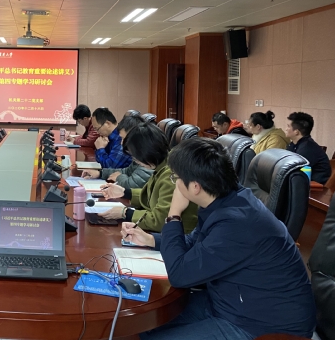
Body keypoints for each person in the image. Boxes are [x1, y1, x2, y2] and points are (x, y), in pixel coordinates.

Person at [123, 138, 316, 340]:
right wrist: (151, 240)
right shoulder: (226, 200)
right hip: (228, 302)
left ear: (195, 186)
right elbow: (194, 244)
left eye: (176, 178)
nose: (176, 184)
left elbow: (179, 274)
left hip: (263, 324)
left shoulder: (236, 222)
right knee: (143, 325)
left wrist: (174, 214)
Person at [97, 123, 197, 233]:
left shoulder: (171, 175)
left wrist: (125, 212)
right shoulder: (163, 165)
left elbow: (160, 220)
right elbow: (154, 195)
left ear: (145, 152)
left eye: (135, 157)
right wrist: (125, 192)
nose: (136, 161)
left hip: (177, 236)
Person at [81, 115, 154, 189]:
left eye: (124, 139)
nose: (121, 143)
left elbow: (132, 184)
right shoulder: (138, 156)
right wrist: (100, 173)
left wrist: (118, 177)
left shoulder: (147, 157)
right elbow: (126, 171)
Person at [285, 112, 331, 185]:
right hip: (301, 184)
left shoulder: (307, 148)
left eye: (288, 126)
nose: (286, 129)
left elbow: (292, 170)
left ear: (296, 131)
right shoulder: (294, 144)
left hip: (315, 188)